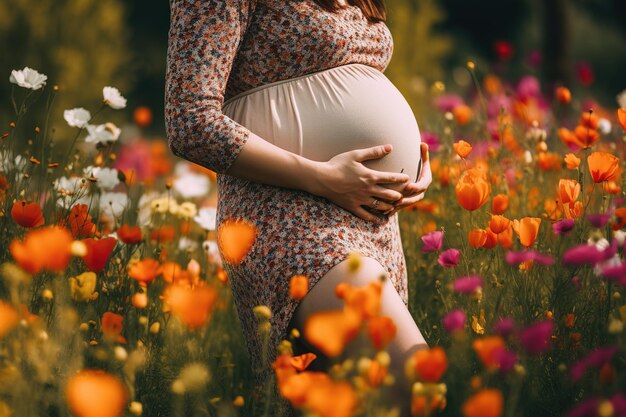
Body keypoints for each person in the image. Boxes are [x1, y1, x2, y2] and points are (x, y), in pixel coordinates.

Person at [164, 0, 432, 415]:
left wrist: (412, 167)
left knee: (357, 403)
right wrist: (321, 177)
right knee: (413, 387)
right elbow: (189, 120)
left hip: (369, 223)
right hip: (290, 217)